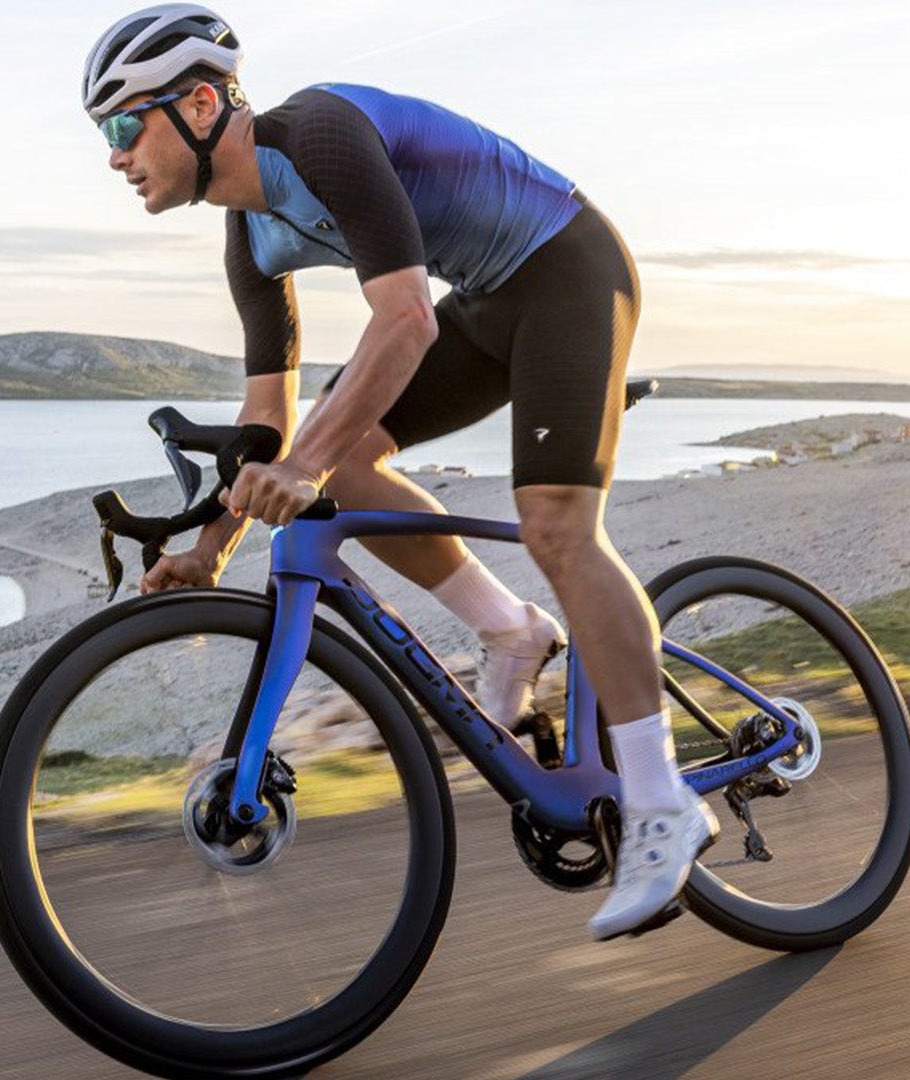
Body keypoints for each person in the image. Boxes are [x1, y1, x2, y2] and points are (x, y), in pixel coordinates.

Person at [84, 4, 717, 939]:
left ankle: (665, 803)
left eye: (124, 124)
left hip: (568, 269)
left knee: (554, 524)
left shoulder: (322, 134)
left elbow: (407, 318)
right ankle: (510, 631)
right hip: (491, 301)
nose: (114, 155)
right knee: (349, 461)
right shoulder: (249, 236)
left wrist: (303, 462)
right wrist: (215, 547)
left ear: (204, 102)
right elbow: (270, 421)